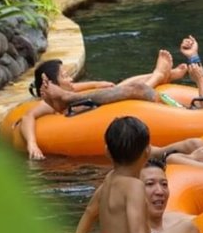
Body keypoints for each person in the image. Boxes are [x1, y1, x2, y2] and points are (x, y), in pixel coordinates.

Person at [73, 116, 203, 233]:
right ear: (147, 152)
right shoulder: (134, 187)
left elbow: (90, 212)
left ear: (107, 151)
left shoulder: (109, 180)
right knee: (190, 229)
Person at [20, 51, 186, 160]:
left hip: (88, 105)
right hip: (90, 115)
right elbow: (28, 116)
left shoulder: (62, 94)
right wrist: (32, 144)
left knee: (121, 85)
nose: (70, 80)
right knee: (135, 89)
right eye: (64, 76)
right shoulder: (49, 103)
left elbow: (77, 88)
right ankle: (158, 75)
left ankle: (162, 75)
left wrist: (97, 83)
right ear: (51, 85)